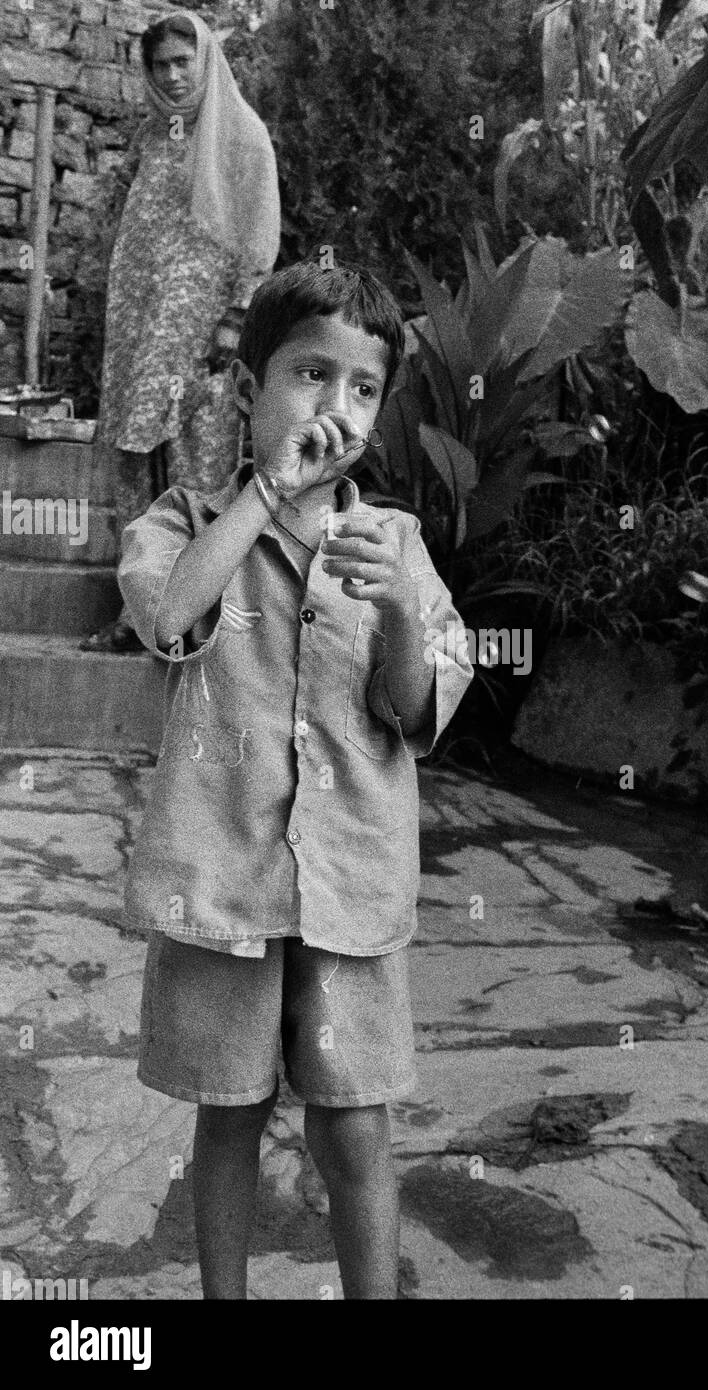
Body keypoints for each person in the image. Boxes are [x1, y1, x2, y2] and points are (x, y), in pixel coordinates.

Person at [117, 262, 474, 1299]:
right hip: (221, 879)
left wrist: (402, 610)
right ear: (247, 389)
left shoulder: (394, 544)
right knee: (225, 1111)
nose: (337, 407)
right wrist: (266, 492)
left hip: (349, 889)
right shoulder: (181, 523)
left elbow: (412, 712)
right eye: (311, 374)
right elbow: (171, 616)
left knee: (356, 1124)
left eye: (363, 388)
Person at [83, 9, 280, 652]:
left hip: (203, 335)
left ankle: (195, 619)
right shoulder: (155, 136)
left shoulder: (241, 134)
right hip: (142, 328)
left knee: (198, 467)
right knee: (136, 459)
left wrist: (234, 322)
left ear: (205, 60)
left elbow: (257, 237)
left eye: (182, 61)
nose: (171, 76)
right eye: (158, 65)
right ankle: (135, 616)